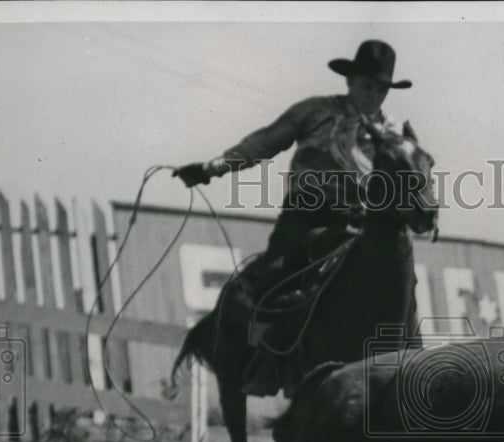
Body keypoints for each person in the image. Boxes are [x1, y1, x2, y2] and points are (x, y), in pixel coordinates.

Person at [174, 40, 414, 395]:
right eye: (367, 86)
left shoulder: (393, 133)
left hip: (357, 223)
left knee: (398, 275)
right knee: (277, 274)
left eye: (381, 89)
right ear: (350, 82)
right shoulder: (314, 111)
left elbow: (408, 174)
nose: (374, 95)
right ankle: (268, 362)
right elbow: (264, 142)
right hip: (305, 216)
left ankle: (412, 350)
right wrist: (213, 168)